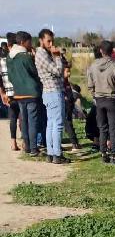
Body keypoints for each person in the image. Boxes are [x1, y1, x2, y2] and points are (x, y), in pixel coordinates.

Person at [35, 29, 70, 164]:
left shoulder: (43, 53)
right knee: (58, 124)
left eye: (52, 41)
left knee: (51, 124)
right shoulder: (42, 54)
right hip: (53, 91)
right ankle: (56, 154)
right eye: (48, 41)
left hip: (49, 92)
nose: (51, 44)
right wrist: (57, 57)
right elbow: (57, 71)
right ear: (41, 40)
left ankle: (51, 153)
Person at [7, 31, 42, 156]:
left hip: (18, 93)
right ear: (23, 42)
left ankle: (27, 146)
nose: (30, 44)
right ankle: (33, 148)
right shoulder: (25, 56)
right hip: (31, 93)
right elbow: (34, 72)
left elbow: (10, 77)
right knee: (32, 121)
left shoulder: (9, 57)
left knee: (24, 120)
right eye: (29, 41)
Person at [87, 40, 115, 164]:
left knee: (102, 128)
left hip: (99, 99)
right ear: (112, 51)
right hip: (111, 99)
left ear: (101, 51)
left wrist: (94, 96)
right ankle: (113, 154)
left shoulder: (93, 66)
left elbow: (90, 85)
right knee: (113, 128)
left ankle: (103, 152)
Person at [0, 33, 20, 151]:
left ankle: (13, 143)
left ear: (7, 45)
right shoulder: (19, 58)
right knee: (23, 118)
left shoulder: (2, 61)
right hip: (22, 92)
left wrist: (2, 93)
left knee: (13, 118)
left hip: (9, 94)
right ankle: (26, 142)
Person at [63, 65, 82, 151]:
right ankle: (74, 143)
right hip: (65, 105)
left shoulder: (67, 81)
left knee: (69, 124)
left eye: (69, 71)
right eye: (67, 71)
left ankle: (75, 143)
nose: (69, 73)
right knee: (68, 124)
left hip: (69, 105)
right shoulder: (61, 82)